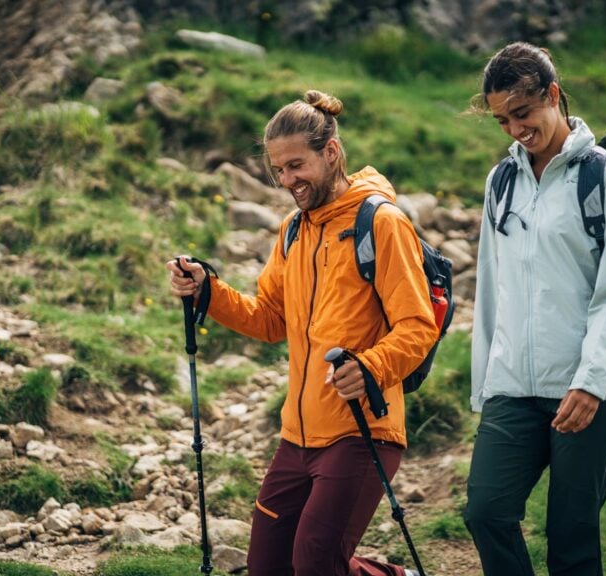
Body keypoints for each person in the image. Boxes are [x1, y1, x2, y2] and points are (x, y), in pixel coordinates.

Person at [167, 90, 439, 576]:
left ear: (330, 152)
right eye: (279, 171)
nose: (288, 180)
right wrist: (208, 291)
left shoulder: (381, 223)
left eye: (297, 166)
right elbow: (271, 318)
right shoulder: (294, 229)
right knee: (268, 566)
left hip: (363, 430)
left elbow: (419, 327)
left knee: (314, 562)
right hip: (298, 435)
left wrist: (370, 366)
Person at [464, 42, 606, 576]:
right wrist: (486, 384)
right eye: (502, 120)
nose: (515, 129)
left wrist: (589, 382)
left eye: (523, 113)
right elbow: (491, 290)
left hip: (589, 390)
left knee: (571, 538)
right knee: (485, 511)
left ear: (554, 96)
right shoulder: (501, 182)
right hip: (513, 387)